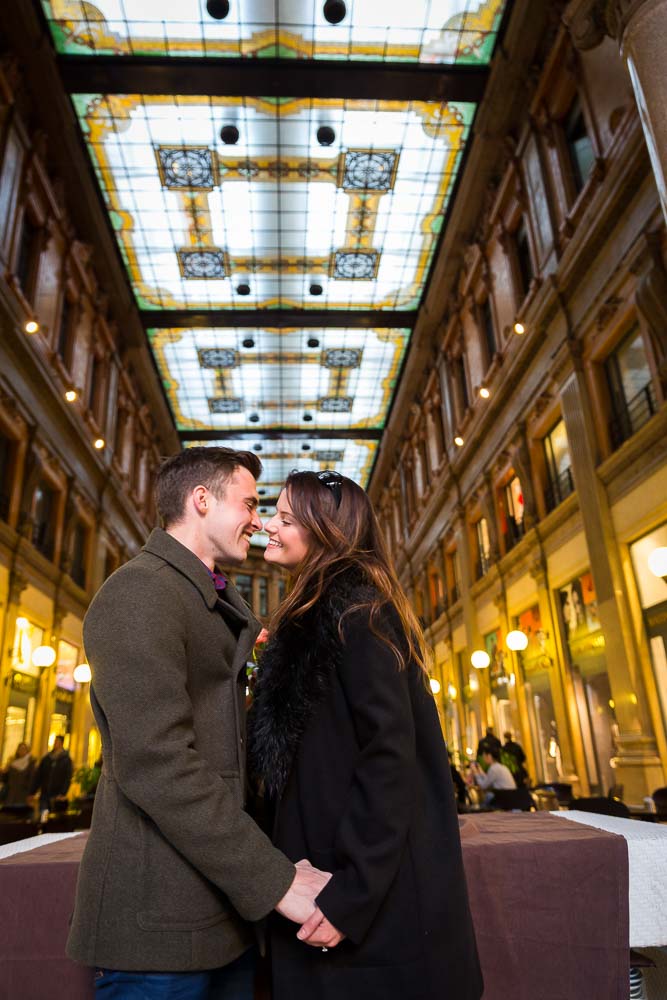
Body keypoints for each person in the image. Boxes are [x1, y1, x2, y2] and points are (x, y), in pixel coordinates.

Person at [66, 447, 330, 999]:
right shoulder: (139, 593)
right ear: (201, 500)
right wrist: (276, 880)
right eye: (250, 503)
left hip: (220, 914)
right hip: (157, 920)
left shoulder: (202, 597)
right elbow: (159, 764)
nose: (259, 522)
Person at [249, 470, 482, 1000]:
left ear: (325, 533)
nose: (269, 526)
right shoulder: (318, 618)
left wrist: (347, 899)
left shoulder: (356, 616)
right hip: (322, 891)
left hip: (364, 913)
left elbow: (389, 763)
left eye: (285, 519)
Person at [32, 735, 72, 814]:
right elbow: (39, 775)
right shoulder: (46, 758)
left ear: (61, 743)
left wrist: (63, 793)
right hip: (45, 792)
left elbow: (67, 777)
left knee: (54, 816)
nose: (55, 743)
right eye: (55, 741)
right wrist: (33, 791)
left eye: (57, 741)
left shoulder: (66, 760)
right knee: (43, 814)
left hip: (57, 794)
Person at [0, 741, 36, 814]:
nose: (21, 751)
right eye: (20, 749)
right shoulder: (12, 763)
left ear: (27, 751)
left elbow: (32, 780)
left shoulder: (31, 764)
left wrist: (30, 794)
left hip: (23, 796)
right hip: (10, 796)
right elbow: (5, 779)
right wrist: (3, 772)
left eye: (24, 749)